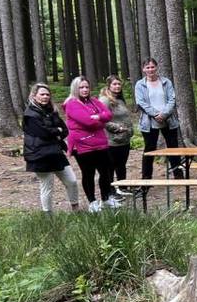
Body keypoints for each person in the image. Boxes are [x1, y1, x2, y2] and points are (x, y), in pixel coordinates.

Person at [22, 83, 81, 213]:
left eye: (47, 94)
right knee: (47, 186)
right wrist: (56, 131)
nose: (45, 97)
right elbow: (43, 133)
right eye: (42, 94)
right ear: (34, 96)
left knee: (71, 181)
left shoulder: (51, 111)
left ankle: (76, 208)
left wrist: (56, 131)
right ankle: (48, 214)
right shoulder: (30, 115)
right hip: (39, 155)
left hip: (56, 152)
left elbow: (64, 129)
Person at [65, 76, 116, 212]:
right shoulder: (72, 104)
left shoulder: (94, 101)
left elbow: (108, 115)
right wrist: (98, 120)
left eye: (86, 87)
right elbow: (88, 122)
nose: (85, 89)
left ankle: (106, 198)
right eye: (81, 87)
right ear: (75, 88)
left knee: (105, 172)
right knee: (88, 173)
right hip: (82, 145)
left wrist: (98, 117)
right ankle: (92, 202)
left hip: (100, 143)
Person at [135, 58, 182, 180]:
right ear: (144, 69)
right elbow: (141, 102)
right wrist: (155, 114)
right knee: (149, 149)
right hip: (149, 122)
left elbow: (172, 99)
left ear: (156, 67)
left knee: (173, 147)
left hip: (169, 120)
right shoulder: (140, 84)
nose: (150, 69)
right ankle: (146, 177)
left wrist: (164, 114)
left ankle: (178, 174)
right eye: (148, 67)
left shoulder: (166, 82)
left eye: (152, 67)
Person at [100, 75, 133, 192]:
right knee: (111, 167)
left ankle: (122, 187)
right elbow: (103, 120)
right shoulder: (105, 100)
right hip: (111, 141)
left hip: (124, 140)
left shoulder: (120, 100)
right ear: (108, 86)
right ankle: (110, 191)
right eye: (114, 84)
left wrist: (128, 130)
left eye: (119, 84)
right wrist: (118, 128)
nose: (117, 86)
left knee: (121, 165)